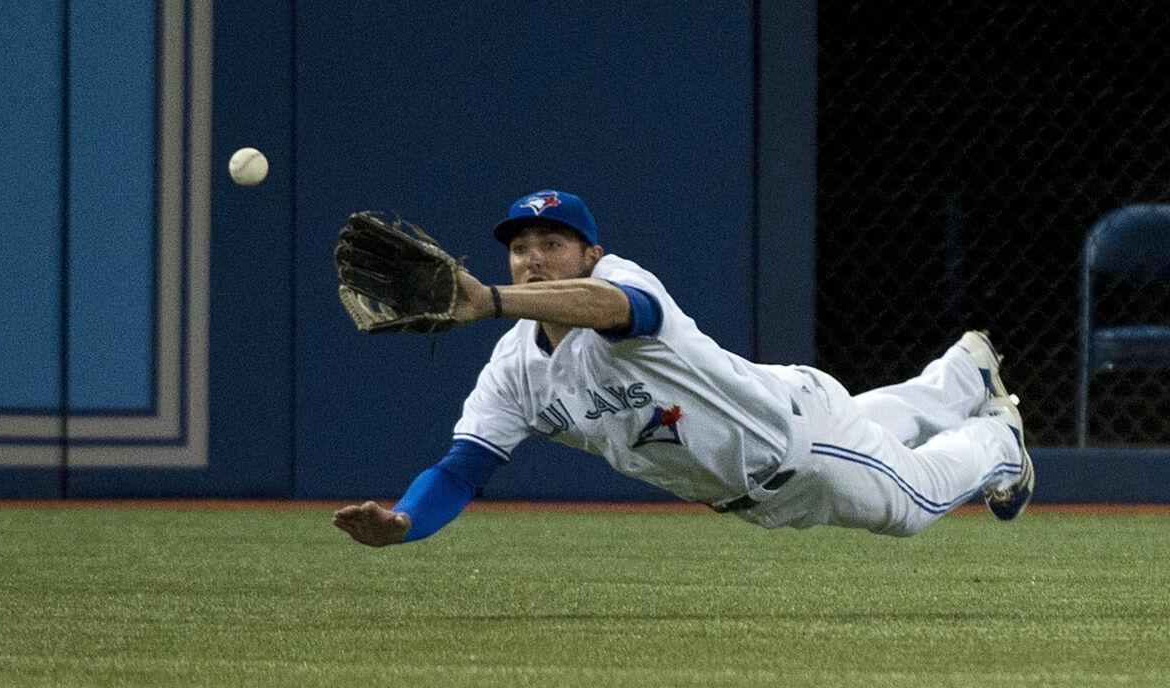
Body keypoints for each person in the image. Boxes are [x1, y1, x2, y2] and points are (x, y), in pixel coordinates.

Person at [333, 189, 1034, 547]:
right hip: (772, 435)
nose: (534, 257)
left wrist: (490, 299)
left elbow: (613, 307)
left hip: (802, 445)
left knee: (911, 505)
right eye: (520, 248)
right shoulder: (515, 369)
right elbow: (462, 468)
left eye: (553, 242)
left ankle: (1000, 441)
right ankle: (962, 375)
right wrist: (403, 520)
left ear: (590, 253)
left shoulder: (621, 283)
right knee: (875, 422)